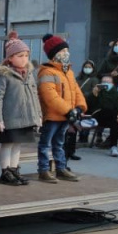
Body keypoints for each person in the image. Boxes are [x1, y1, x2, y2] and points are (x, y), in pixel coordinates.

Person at [0, 36, 42, 187]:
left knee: (18, 144)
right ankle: (5, 172)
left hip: (25, 117)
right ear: (10, 58)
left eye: (26, 56)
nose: (24, 59)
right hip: (10, 117)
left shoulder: (29, 73)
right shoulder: (3, 74)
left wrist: (38, 115)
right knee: (8, 144)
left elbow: (34, 95)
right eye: (20, 56)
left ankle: (14, 169)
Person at [37, 33, 85, 183]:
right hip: (53, 115)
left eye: (66, 51)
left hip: (66, 115)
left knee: (59, 143)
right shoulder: (47, 71)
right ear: (54, 54)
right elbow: (50, 96)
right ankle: (43, 170)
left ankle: (61, 168)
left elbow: (76, 90)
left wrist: (79, 107)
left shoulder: (68, 71)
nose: (66, 53)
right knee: (46, 144)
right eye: (62, 51)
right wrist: (68, 110)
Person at [88, 75, 118, 157]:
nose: (105, 84)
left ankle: (114, 147)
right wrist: (94, 94)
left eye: (108, 82)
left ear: (112, 84)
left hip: (112, 119)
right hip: (99, 116)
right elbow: (90, 105)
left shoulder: (116, 94)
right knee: (111, 112)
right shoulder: (98, 92)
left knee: (117, 121)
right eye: (103, 82)